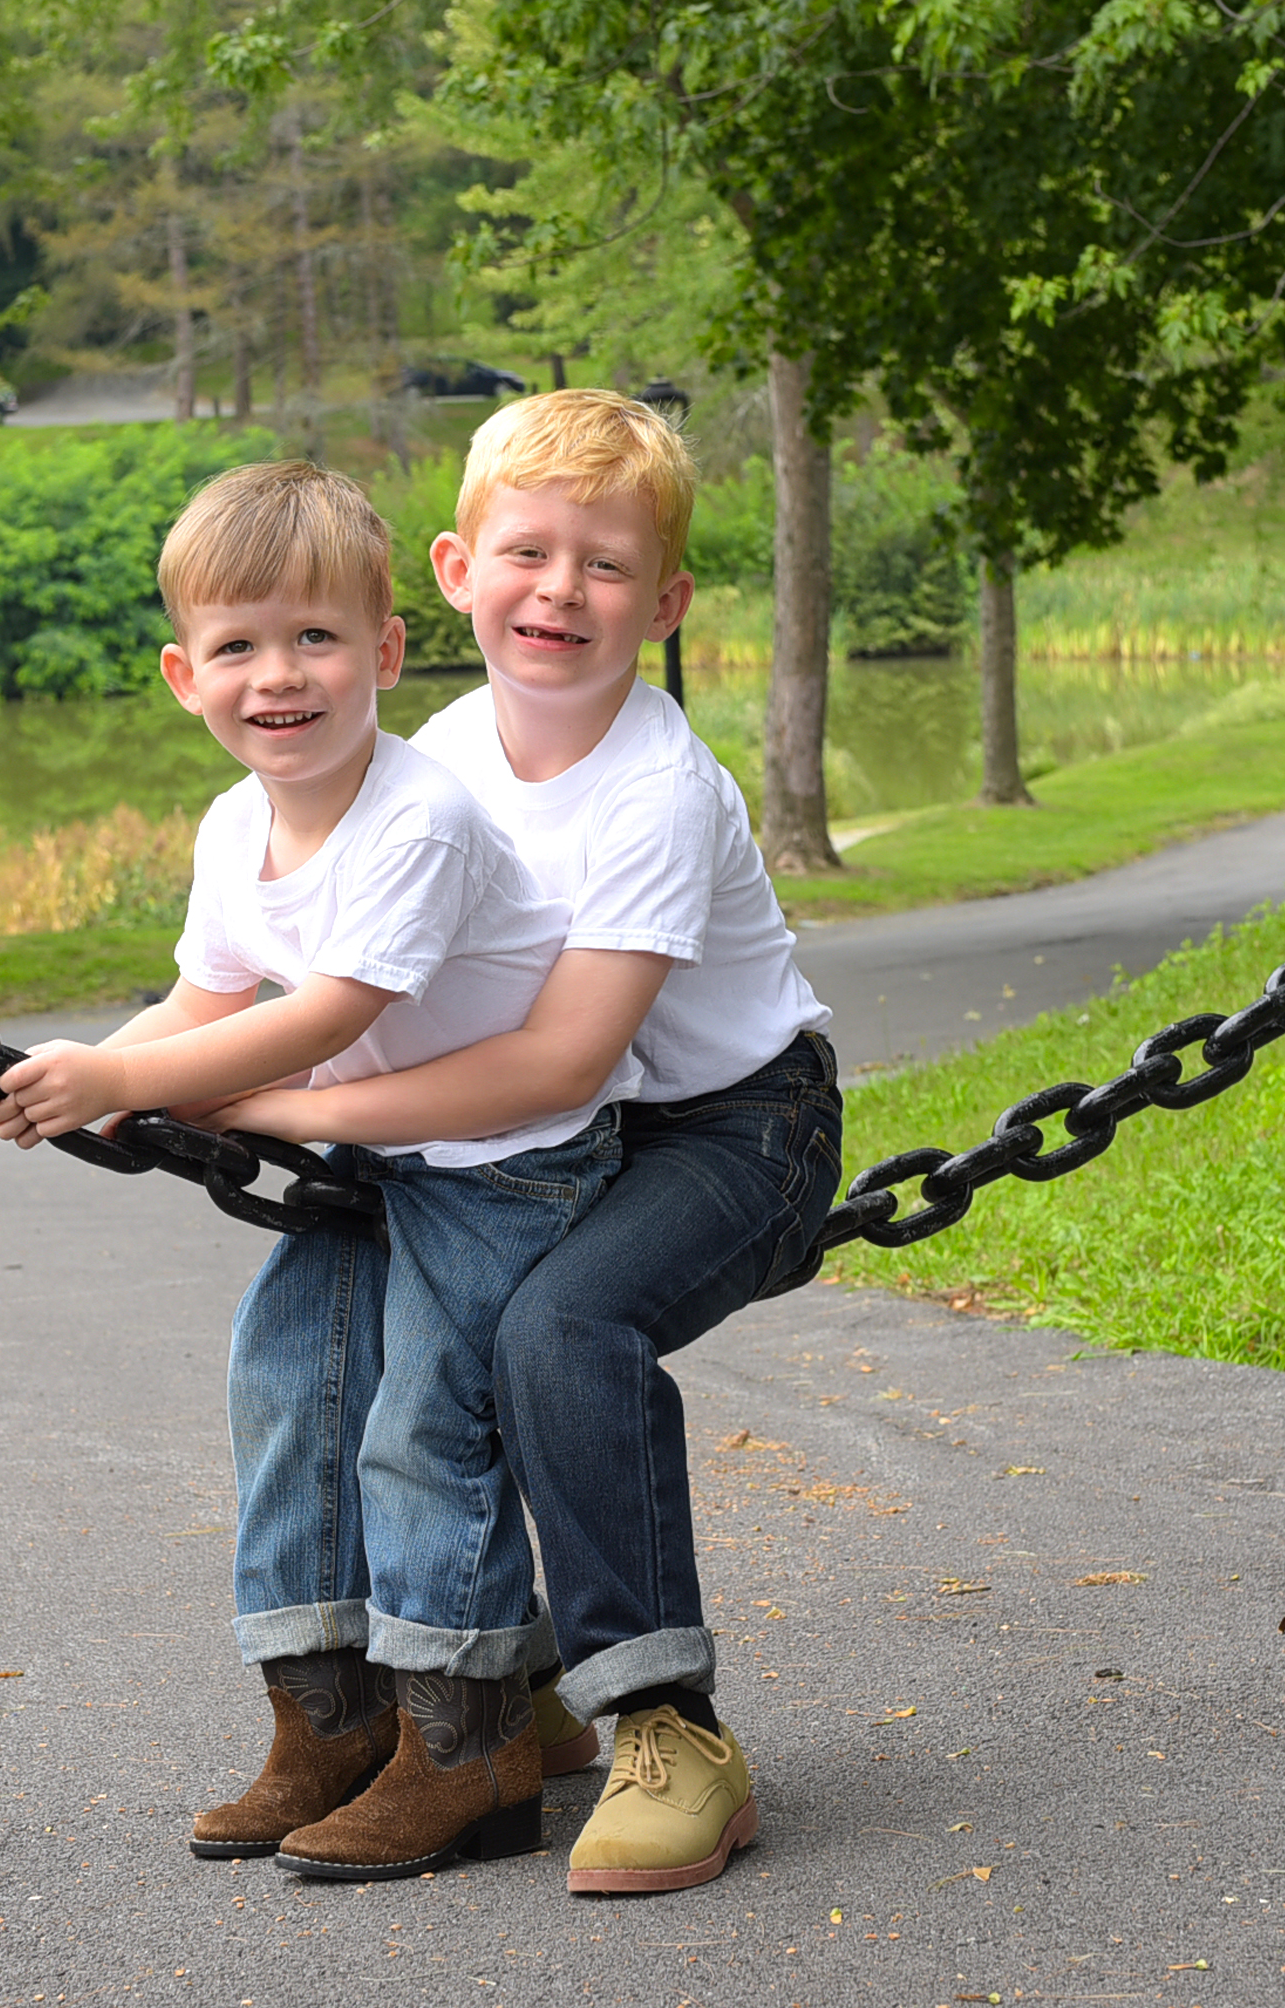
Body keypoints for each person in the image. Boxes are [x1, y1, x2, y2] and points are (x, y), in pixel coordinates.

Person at [0, 459, 637, 1880]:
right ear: (183, 673)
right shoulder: (234, 827)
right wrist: (90, 1074)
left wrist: (134, 1080)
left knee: (424, 1424)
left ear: (387, 652)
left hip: (503, 1164)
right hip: (381, 1161)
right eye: (239, 648)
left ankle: (471, 1743)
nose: (280, 677)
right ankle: (328, 1718)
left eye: (317, 639)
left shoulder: (422, 818)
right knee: (285, 1382)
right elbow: (212, 1003)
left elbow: (330, 1015)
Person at [218, 389, 842, 1896]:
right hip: (550, 1123)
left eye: (607, 565)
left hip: (727, 1124)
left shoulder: (656, 791)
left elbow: (565, 1051)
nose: (561, 590)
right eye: (528, 552)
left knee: (560, 1332)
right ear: (454, 571)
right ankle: (434, 1698)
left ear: (669, 603)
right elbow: (343, 961)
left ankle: (667, 1728)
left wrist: (296, 1108)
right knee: (329, 1320)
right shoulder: (437, 750)